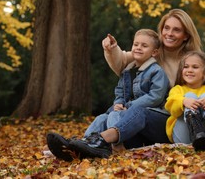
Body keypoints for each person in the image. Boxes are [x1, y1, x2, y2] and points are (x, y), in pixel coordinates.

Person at [47, 9, 205, 159]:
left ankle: (100, 140)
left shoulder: (192, 61)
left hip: (171, 121)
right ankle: (77, 147)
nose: (169, 33)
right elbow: (124, 59)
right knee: (106, 116)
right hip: (149, 121)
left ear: (185, 35)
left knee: (138, 111)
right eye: (166, 28)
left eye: (176, 30)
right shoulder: (154, 52)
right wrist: (112, 49)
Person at [47, 29, 170, 160]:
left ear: (154, 52)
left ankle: (115, 146)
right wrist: (119, 103)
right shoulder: (127, 70)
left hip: (144, 119)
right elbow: (120, 91)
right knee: (101, 118)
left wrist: (128, 106)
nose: (138, 48)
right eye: (136, 44)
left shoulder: (156, 72)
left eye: (144, 46)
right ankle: (83, 145)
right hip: (125, 114)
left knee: (114, 114)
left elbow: (155, 97)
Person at [165, 51, 205, 152]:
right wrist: (183, 101)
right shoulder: (177, 89)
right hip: (183, 135)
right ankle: (197, 133)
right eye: (186, 67)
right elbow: (170, 106)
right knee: (189, 96)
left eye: (195, 67)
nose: (189, 70)